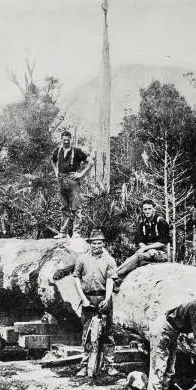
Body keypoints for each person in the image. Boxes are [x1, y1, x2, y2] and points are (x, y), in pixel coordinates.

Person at [73, 228, 119, 377]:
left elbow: (110, 280)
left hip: (103, 297)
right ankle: (85, 365)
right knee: (87, 333)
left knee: (107, 333)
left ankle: (109, 364)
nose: (96, 246)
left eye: (99, 243)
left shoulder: (109, 260)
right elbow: (76, 279)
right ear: (90, 244)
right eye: (94, 243)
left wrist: (107, 299)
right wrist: (84, 299)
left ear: (103, 244)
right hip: (88, 299)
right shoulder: (82, 259)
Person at [51, 130, 93, 238]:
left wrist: (81, 174)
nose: (66, 142)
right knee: (63, 207)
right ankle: (63, 233)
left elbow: (90, 162)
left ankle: (76, 232)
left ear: (71, 140)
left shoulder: (77, 151)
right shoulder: (58, 150)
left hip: (72, 180)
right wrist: (56, 171)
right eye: (64, 139)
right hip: (61, 180)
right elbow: (53, 160)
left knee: (76, 207)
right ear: (61, 140)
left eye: (68, 140)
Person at [116, 199, 170, 282]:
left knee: (138, 257)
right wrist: (147, 249)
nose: (147, 211)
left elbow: (163, 242)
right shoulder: (143, 223)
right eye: (145, 209)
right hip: (148, 251)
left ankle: (118, 275)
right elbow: (140, 241)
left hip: (161, 252)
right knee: (131, 258)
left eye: (149, 209)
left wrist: (147, 248)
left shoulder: (160, 222)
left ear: (153, 209)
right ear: (142, 210)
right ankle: (117, 274)